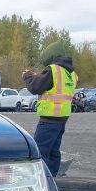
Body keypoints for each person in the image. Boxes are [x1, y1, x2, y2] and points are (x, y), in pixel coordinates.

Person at [22, 42, 78, 177]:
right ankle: (52, 178)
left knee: (41, 151)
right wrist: (38, 76)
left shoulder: (53, 69)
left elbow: (36, 87)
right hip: (62, 118)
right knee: (54, 151)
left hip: (49, 119)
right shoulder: (70, 73)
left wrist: (28, 77)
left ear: (50, 55)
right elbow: (51, 84)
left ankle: (42, 180)